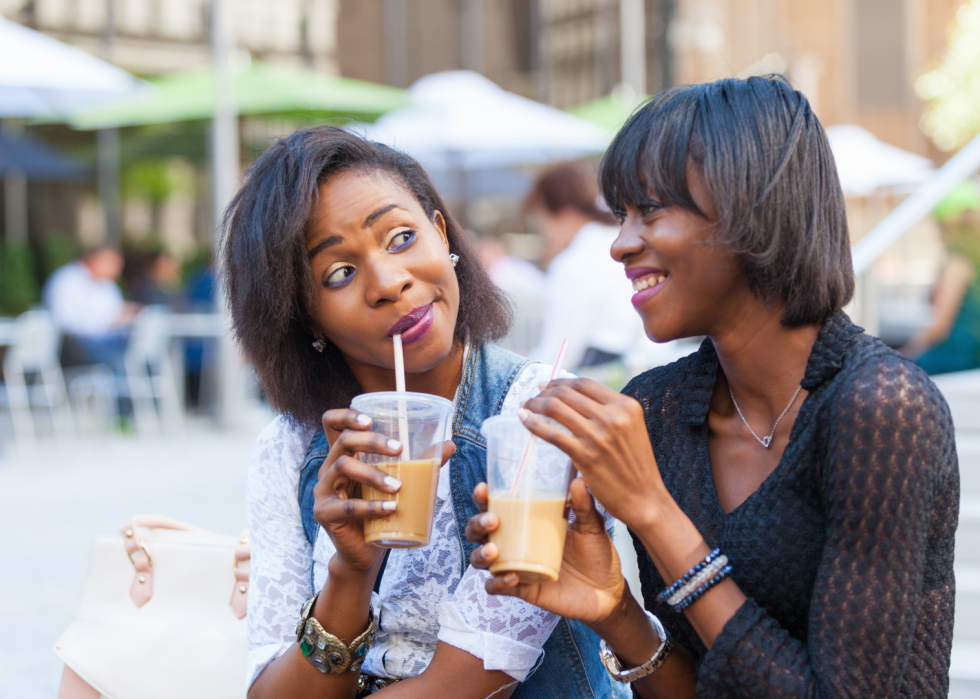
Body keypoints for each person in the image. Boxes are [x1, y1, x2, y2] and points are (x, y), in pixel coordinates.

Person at [465, 76, 957, 698]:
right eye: (621, 214)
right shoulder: (660, 409)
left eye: (651, 210)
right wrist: (615, 611)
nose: (620, 244)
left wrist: (655, 512)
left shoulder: (880, 407)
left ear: (752, 210)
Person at [220, 126, 628, 699]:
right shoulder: (290, 450)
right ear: (307, 316)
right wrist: (351, 571)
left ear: (441, 232)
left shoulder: (537, 419)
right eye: (339, 273)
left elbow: (468, 681)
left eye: (402, 237)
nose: (389, 283)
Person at [526, 162, 643, 368]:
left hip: (602, 374)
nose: (545, 237)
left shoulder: (572, 263)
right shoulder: (623, 240)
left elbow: (560, 353)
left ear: (565, 215)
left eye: (542, 223)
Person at [902, 181, 980, 374]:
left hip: (960, 356)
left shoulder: (958, 262)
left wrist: (905, 353)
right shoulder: (973, 259)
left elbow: (939, 327)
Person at [42, 245, 139, 372]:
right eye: (114, 264)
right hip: (78, 345)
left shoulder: (108, 285)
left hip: (110, 340)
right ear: (95, 260)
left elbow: (116, 311)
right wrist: (109, 321)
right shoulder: (67, 280)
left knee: (139, 350)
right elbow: (65, 322)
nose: (118, 270)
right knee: (120, 360)